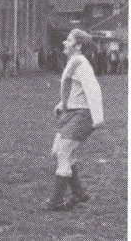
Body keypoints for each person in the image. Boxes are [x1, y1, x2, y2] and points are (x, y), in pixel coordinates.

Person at [42, 29, 104, 211]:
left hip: (83, 115)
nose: (64, 42)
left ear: (78, 46)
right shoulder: (75, 62)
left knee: (63, 153)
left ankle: (56, 202)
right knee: (57, 152)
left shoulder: (81, 64)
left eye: (68, 40)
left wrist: (98, 117)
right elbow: (75, 89)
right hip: (73, 113)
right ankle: (79, 193)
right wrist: (62, 104)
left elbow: (93, 90)